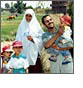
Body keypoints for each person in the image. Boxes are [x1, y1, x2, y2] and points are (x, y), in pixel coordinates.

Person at [16, 9, 44, 73]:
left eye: (30, 16)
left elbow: (42, 38)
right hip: (24, 53)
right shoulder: (21, 26)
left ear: (33, 16)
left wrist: (33, 39)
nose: (28, 17)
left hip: (34, 54)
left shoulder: (37, 26)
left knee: (35, 70)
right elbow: (18, 38)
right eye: (27, 15)